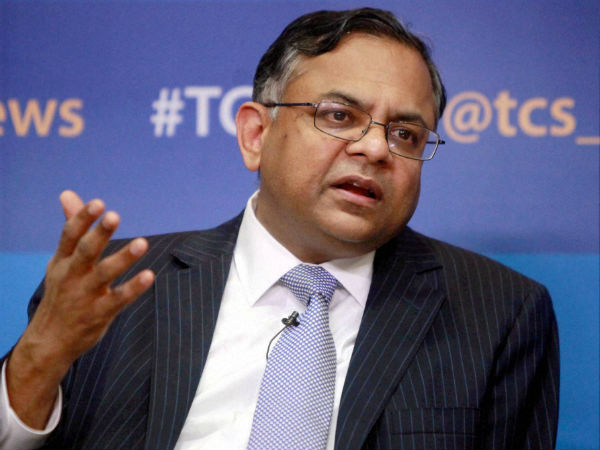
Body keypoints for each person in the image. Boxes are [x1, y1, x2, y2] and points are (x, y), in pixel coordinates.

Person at [0, 7, 559, 450]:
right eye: (339, 116)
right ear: (255, 135)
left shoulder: (499, 313)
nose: (374, 149)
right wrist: (36, 363)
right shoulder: (113, 287)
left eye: (405, 135)